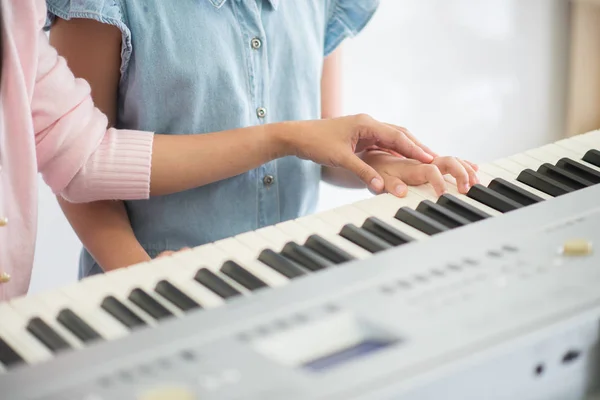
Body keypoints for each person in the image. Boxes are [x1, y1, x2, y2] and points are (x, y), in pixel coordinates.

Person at [42, 0, 479, 281]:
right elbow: (77, 161)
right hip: (154, 283)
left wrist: (379, 166)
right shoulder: (99, 6)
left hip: (292, 276)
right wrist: (140, 279)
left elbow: (320, 141)